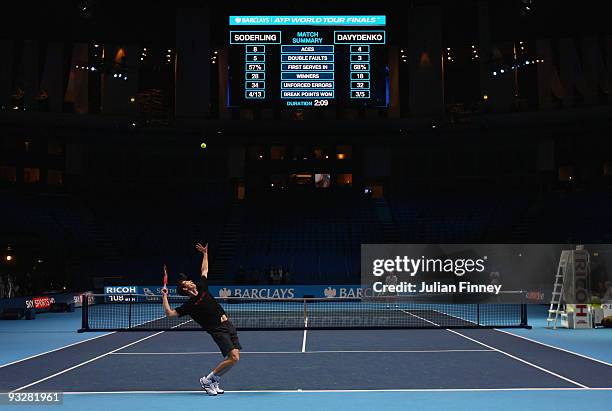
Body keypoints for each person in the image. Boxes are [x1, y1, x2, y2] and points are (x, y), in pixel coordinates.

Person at [161, 243, 242, 396]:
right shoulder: (189, 305)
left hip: (227, 324)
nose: (191, 281)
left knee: (235, 359)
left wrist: (205, 253)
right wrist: (164, 296)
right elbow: (170, 314)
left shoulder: (202, 286)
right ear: (185, 289)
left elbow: (204, 270)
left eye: (189, 281)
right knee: (233, 356)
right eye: (187, 283)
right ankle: (207, 380)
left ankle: (215, 379)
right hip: (217, 330)